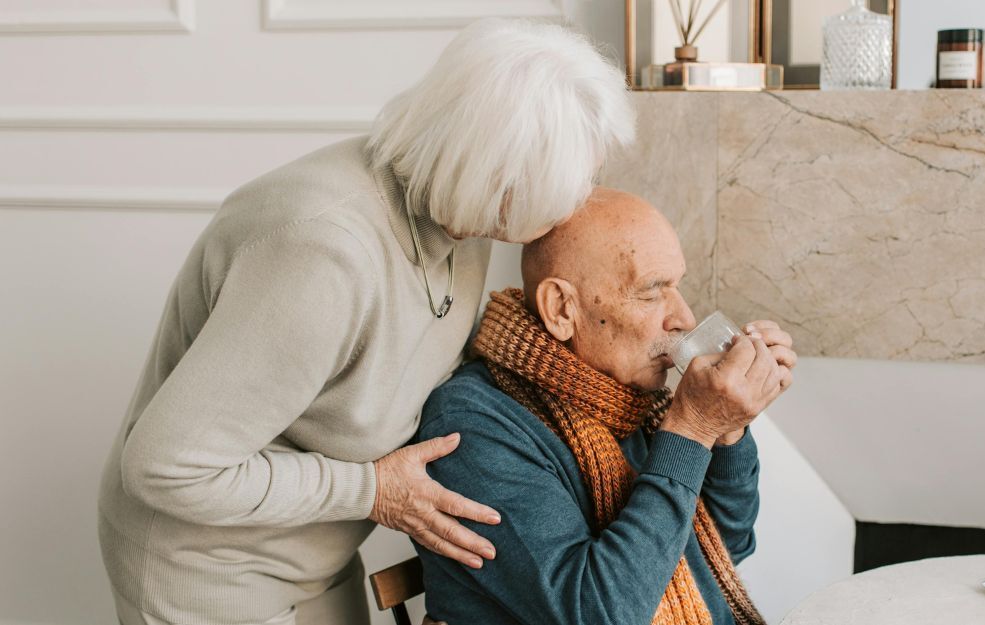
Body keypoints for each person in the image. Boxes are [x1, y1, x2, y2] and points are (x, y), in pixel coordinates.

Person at [96, 19, 634, 625]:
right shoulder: (321, 255)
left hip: (316, 548)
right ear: (499, 175)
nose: (582, 197)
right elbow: (165, 468)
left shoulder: (464, 216)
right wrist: (373, 491)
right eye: (573, 178)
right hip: (210, 569)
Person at [414, 188, 798, 624]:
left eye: (677, 286)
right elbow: (599, 613)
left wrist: (728, 430)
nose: (685, 318)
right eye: (653, 293)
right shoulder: (471, 428)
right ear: (561, 310)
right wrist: (691, 429)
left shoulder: (625, 399)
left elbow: (723, 549)